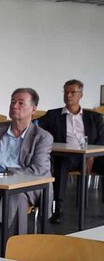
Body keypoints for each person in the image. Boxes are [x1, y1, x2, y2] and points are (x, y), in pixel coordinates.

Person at [0, 88, 54, 253]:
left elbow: (38, 169)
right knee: (14, 198)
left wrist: (4, 172)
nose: (14, 106)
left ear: (33, 109)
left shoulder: (42, 137)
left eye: (21, 103)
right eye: (12, 101)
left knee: (16, 195)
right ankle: (16, 253)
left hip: (25, 187)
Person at [36, 79, 104, 223]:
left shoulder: (94, 117)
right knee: (61, 164)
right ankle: (59, 210)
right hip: (68, 157)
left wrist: (92, 156)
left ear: (81, 95)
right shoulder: (53, 115)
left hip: (91, 157)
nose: (68, 95)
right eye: (66, 92)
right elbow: (35, 127)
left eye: (73, 92)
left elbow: (102, 139)